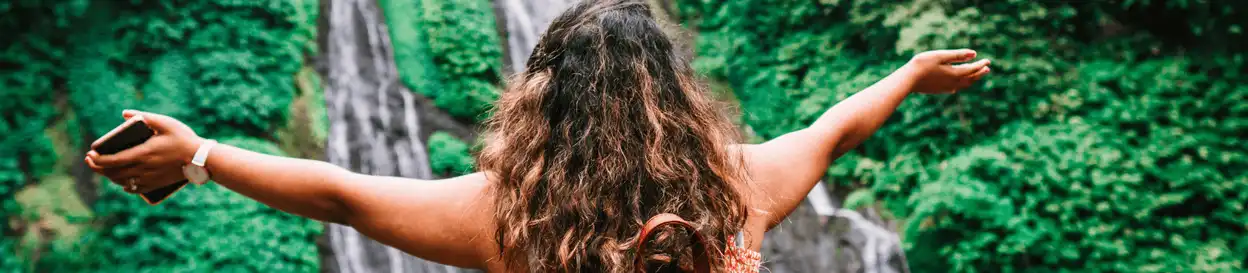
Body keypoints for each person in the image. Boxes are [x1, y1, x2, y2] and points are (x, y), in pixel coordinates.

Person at [83, 0, 990, 272]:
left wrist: (198, 154)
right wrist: (909, 72)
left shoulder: (508, 218)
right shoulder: (738, 188)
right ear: (675, 98)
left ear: (538, 102)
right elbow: (836, 125)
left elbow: (338, 191)